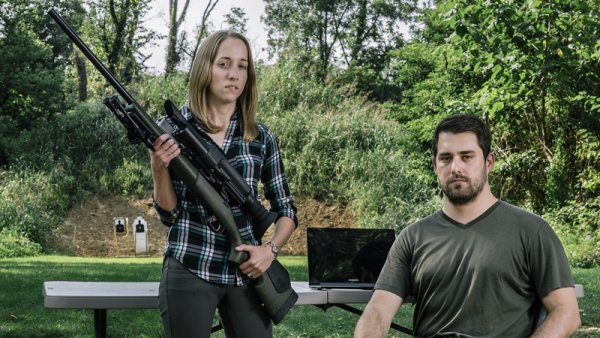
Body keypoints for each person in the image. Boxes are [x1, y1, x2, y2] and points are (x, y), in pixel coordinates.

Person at [354, 114, 581, 337]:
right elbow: (378, 311)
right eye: (445, 158)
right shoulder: (413, 238)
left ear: (488, 162)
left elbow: (566, 313)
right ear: (434, 165)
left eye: (467, 156)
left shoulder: (532, 231)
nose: (455, 167)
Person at [150, 30, 297, 338]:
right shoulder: (174, 130)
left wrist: (269, 250)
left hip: (247, 272)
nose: (234, 75)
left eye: (242, 66)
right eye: (224, 64)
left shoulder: (260, 137)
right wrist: (159, 168)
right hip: (191, 261)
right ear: (205, 69)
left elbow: (286, 209)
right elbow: (169, 216)